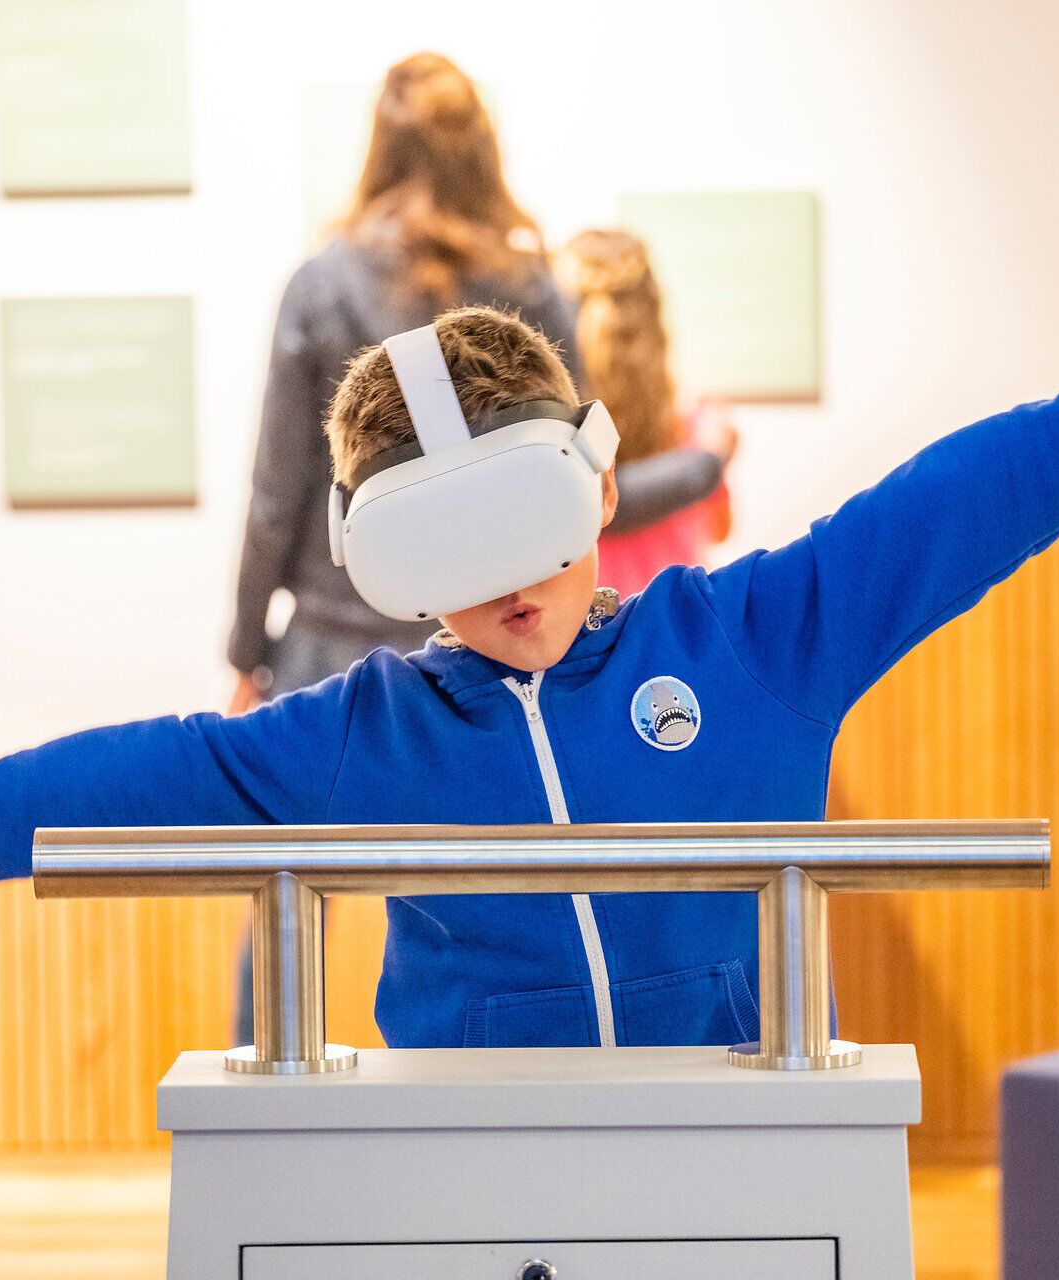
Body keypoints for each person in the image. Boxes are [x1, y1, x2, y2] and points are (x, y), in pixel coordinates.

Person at [0, 287, 1059, 1060]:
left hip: (739, 1128)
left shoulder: (755, 643)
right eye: (454, 551)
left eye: (528, 530)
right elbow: (108, 781)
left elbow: (966, 499)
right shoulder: (357, 741)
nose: (508, 589)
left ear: (594, 483)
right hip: (469, 1160)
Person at [224, 53, 729, 1044]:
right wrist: (705, 465)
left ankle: (264, 1096)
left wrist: (247, 650)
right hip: (488, 641)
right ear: (481, 149)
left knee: (286, 900)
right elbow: (582, 484)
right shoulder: (526, 285)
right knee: (505, 902)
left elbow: (277, 496)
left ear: (380, 147)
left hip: (329, 641)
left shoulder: (320, 285)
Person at [557, 228, 740, 595]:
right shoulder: (700, 430)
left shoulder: (559, 441)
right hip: (678, 622)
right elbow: (721, 529)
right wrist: (717, 456)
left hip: (585, 626)